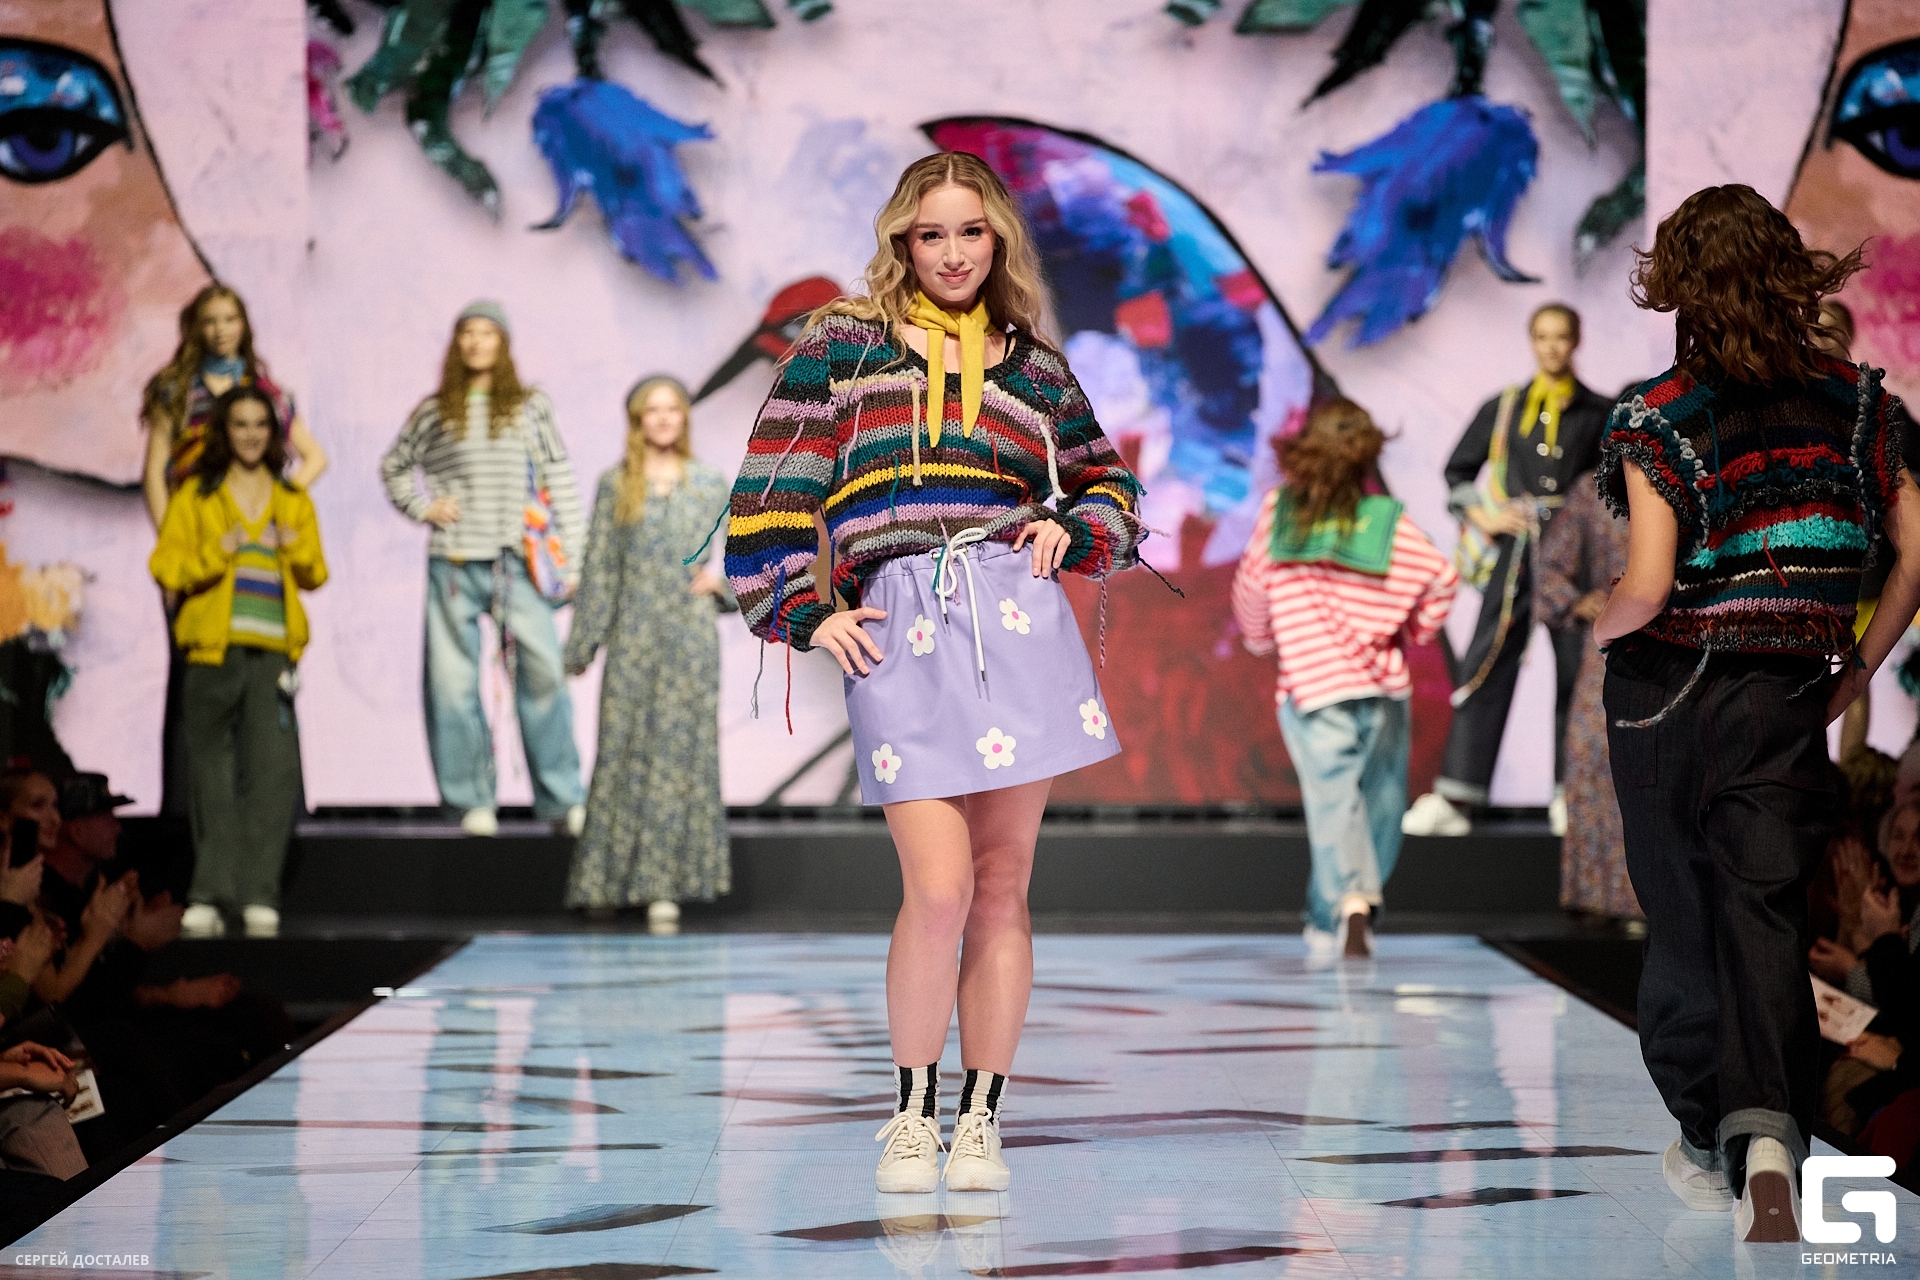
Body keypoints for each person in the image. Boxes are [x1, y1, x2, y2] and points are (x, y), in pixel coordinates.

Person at [724, 152, 1142, 1195]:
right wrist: (807, 610)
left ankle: (979, 1123)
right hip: (898, 621)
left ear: (998, 239)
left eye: (971, 232)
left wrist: (1075, 527)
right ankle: (911, 1117)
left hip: (1017, 621)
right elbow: (771, 487)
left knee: (1001, 885)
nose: (952, 254)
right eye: (931, 234)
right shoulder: (841, 347)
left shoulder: (1033, 366)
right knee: (940, 886)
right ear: (901, 241)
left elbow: (1110, 485)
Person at [1593, 183, 1920, 1243]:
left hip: (1668, 687)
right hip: (1787, 687)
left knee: (1682, 906)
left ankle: (1705, 1135)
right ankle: (1773, 1140)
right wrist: (1857, 667)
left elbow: (1648, 585)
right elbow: (1917, 555)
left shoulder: (1657, 413)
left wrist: (1601, 620)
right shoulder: (1861, 406)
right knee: (1763, 909)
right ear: (1788, 272)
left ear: (1680, 284)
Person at [1231, 399, 1457, 960]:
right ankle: (1335, 913)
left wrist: (1261, 639)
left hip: (1312, 686)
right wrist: (1411, 631)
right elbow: (1441, 578)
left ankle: (1347, 904)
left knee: (1335, 806)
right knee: (1378, 806)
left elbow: (1252, 588)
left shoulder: (1281, 512)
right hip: (1382, 687)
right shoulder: (1384, 521)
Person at [1401, 304, 1613, 838]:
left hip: (1572, 564)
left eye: (1560, 337)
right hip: (1514, 555)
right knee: (1487, 663)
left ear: (1576, 341)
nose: (1551, 347)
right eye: (1542, 336)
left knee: (1576, 672)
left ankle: (1570, 794)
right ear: (1531, 341)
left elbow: (1611, 492)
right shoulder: (1506, 406)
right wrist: (1486, 516)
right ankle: (1459, 793)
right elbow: (1458, 471)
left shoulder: (1598, 411)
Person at [380, 301, 586, 838]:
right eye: (467, 333)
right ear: (457, 344)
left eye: (487, 332)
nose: (476, 342)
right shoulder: (435, 411)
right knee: (451, 685)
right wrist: (425, 507)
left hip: (518, 562)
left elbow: (558, 476)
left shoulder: (530, 406)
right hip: (454, 564)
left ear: (503, 343)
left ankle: (563, 799)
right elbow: (395, 466)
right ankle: (470, 801)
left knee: (543, 675)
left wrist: (575, 555)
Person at [141, 284, 328, 818]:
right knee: (194, 677)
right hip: (200, 547)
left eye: (230, 319)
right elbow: (155, 473)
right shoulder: (176, 390)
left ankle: (270, 813)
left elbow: (314, 458)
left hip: (256, 557)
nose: (220, 330)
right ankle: (190, 814)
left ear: (244, 325)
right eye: (210, 320)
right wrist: (176, 543)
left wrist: (275, 508)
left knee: (266, 680)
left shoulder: (266, 393)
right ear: (195, 327)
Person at [151, 387, 328, 939]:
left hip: (272, 654)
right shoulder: (197, 495)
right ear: (223, 432)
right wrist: (216, 553)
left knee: (273, 774)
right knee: (210, 776)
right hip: (212, 651)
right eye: (240, 424)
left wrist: (294, 547)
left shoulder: (291, 497)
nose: (250, 435)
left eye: (260, 425)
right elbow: (166, 566)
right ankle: (210, 893)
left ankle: (258, 893)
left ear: (272, 434)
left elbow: (316, 573)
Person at [562, 377, 732, 929]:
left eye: (672, 409)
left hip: (689, 639)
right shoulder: (617, 484)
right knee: (621, 752)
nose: (662, 418)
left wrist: (724, 586)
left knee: (679, 758)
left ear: (684, 417)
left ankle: (664, 887)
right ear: (637, 419)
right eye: (652, 410)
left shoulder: (709, 483)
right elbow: (600, 568)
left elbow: (754, 552)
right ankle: (605, 883)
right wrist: (581, 646)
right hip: (633, 637)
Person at [1536, 471, 1642, 927]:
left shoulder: (1693, 478)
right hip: (1609, 648)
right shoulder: (1595, 488)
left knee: (1654, 767)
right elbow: (1547, 565)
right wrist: (1576, 602)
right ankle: (1595, 899)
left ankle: (1648, 905)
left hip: (1681, 645)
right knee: (1594, 760)